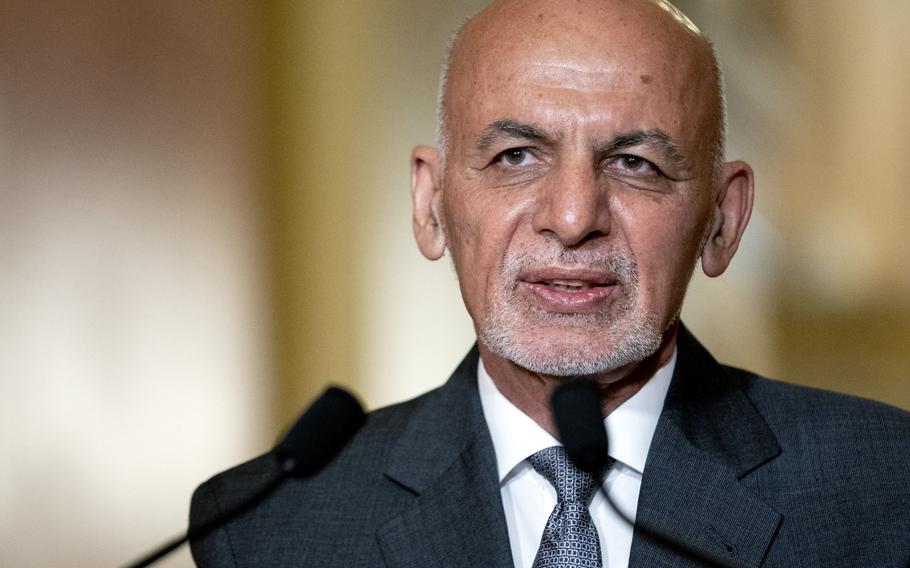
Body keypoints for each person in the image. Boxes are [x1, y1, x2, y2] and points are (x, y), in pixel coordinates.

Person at [190, 1, 910, 566]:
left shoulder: (886, 490)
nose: (572, 219)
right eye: (515, 156)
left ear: (723, 220)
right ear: (429, 204)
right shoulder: (272, 527)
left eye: (635, 164)